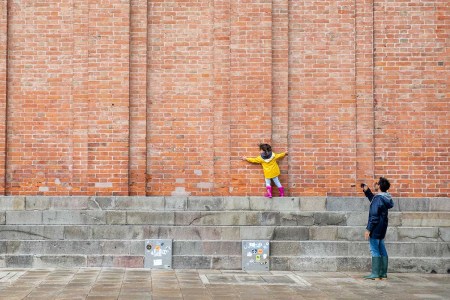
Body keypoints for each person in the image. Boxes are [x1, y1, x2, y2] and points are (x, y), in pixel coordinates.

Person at [361, 177, 394, 280]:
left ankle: (375, 273)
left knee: (374, 249)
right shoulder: (384, 198)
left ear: (379, 186)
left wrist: (368, 229)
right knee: (382, 249)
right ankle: (383, 273)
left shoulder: (378, 199)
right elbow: (374, 200)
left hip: (375, 228)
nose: (375, 184)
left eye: (377, 183)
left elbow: (374, 216)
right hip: (382, 227)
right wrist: (367, 191)